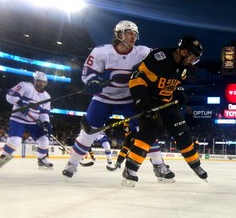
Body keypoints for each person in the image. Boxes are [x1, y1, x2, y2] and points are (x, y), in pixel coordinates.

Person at [62, 20, 175, 182]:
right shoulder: (101, 52)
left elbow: (163, 58)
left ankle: (159, 165)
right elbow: (88, 72)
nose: (134, 37)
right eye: (130, 33)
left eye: (135, 34)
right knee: (88, 131)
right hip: (104, 98)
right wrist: (92, 81)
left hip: (130, 99)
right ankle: (72, 164)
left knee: (148, 130)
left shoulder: (142, 52)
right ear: (119, 34)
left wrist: (179, 59)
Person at [122, 35, 208, 187]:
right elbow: (136, 78)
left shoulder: (185, 69)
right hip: (148, 100)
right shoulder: (159, 57)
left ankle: (195, 164)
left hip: (167, 103)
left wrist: (179, 93)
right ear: (183, 52)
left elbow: (175, 84)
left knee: (182, 131)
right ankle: (130, 168)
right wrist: (143, 103)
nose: (193, 62)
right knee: (151, 129)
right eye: (193, 58)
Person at [1, 71, 53, 169]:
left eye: (43, 82)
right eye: (39, 81)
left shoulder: (46, 96)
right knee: (15, 140)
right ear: (35, 81)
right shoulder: (25, 86)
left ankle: (41, 160)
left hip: (33, 122)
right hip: (18, 119)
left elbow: (44, 113)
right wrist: (20, 102)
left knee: (44, 139)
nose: (41, 84)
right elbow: (10, 95)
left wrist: (46, 122)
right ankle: (2, 158)